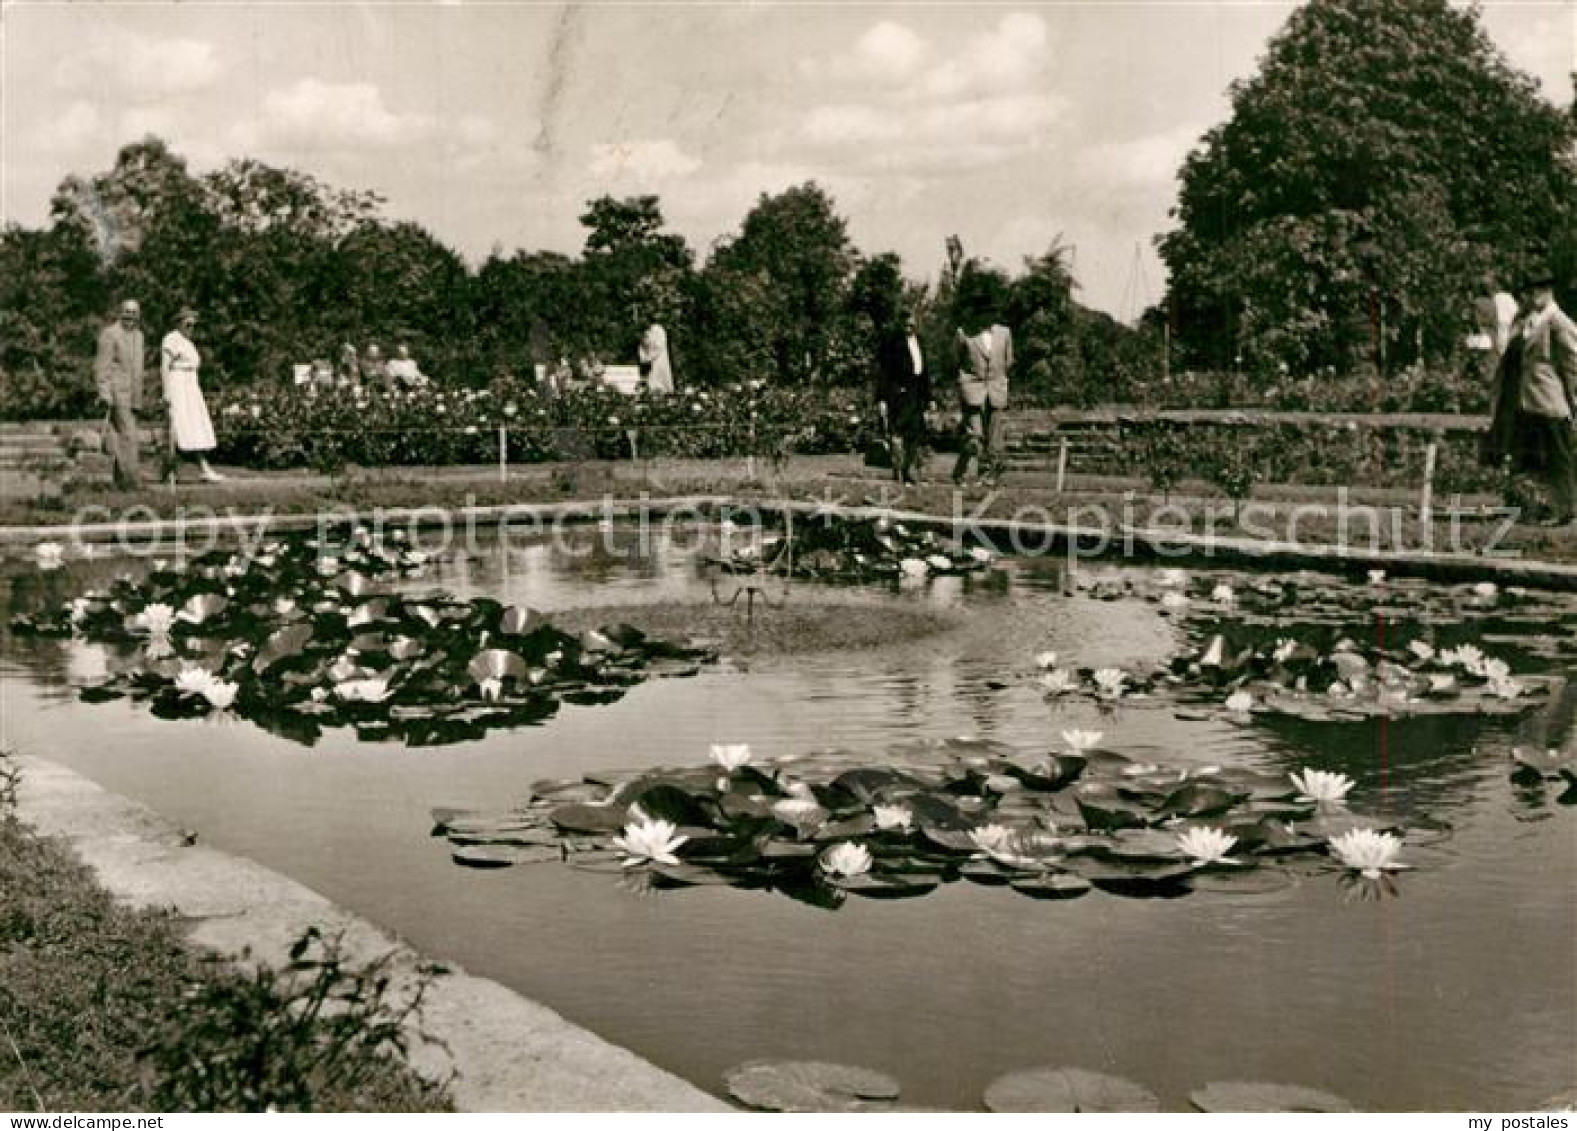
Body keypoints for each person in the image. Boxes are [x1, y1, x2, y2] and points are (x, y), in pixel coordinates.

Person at [1508, 271, 1577, 524]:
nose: (1530, 297)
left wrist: (1574, 400)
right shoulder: (1530, 320)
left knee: (1559, 458)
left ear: (1548, 292)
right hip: (1530, 401)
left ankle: (1565, 510)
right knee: (1532, 458)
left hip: (1551, 402)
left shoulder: (1559, 322)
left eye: (1535, 291)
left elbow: (1573, 364)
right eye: (1528, 292)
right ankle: (1536, 508)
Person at [951, 310, 1013, 487]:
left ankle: (987, 475)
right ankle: (960, 471)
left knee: (994, 436)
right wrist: (965, 381)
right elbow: (955, 361)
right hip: (972, 389)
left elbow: (1008, 361)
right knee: (975, 435)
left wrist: (999, 379)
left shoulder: (1005, 333)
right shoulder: (964, 333)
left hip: (996, 389)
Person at [160, 307, 223, 483]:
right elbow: (165, 366)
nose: (190, 328)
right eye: (187, 324)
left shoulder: (188, 342)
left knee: (195, 427)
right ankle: (173, 469)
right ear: (179, 323)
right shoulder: (171, 339)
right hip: (178, 386)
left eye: (193, 325)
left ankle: (201, 468)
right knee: (179, 428)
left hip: (190, 386)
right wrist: (166, 391)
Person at [94, 298, 147, 489]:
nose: (130, 316)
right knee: (129, 435)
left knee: (123, 436)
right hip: (117, 392)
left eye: (134, 312)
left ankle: (120, 481)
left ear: (138, 315)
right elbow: (102, 366)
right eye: (126, 311)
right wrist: (104, 392)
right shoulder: (110, 334)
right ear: (120, 312)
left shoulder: (139, 336)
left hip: (135, 394)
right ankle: (132, 482)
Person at [876, 309, 930, 486]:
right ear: (901, 324)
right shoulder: (892, 343)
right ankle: (898, 470)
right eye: (906, 324)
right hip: (898, 392)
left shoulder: (920, 342)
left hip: (916, 393)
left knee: (914, 434)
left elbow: (924, 372)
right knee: (897, 432)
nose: (909, 328)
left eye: (912, 324)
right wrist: (882, 398)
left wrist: (930, 398)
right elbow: (884, 372)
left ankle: (907, 469)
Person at [638, 320, 674, 394]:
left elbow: (659, 345)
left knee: (658, 377)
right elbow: (642, 346)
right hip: (649, 359)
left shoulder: (658, 329)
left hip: (658, 359)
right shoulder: (646, 331)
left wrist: (649, 340)